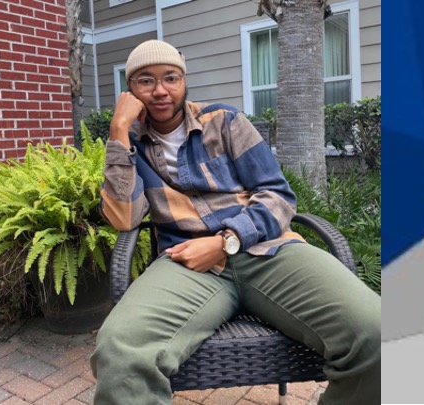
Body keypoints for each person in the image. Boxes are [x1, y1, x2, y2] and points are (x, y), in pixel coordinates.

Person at [89, 39, 380, 405]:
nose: (160, 90)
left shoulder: (224, 121)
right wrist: (118, 132)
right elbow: (124, 218)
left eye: (171, 77)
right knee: (120, 351)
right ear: (129, 89)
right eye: (145, 80)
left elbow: (278, 195)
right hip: (187, 264)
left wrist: (226, 241)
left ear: (184, 81)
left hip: (268, 251)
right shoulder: (131, 143)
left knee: (376, 332)